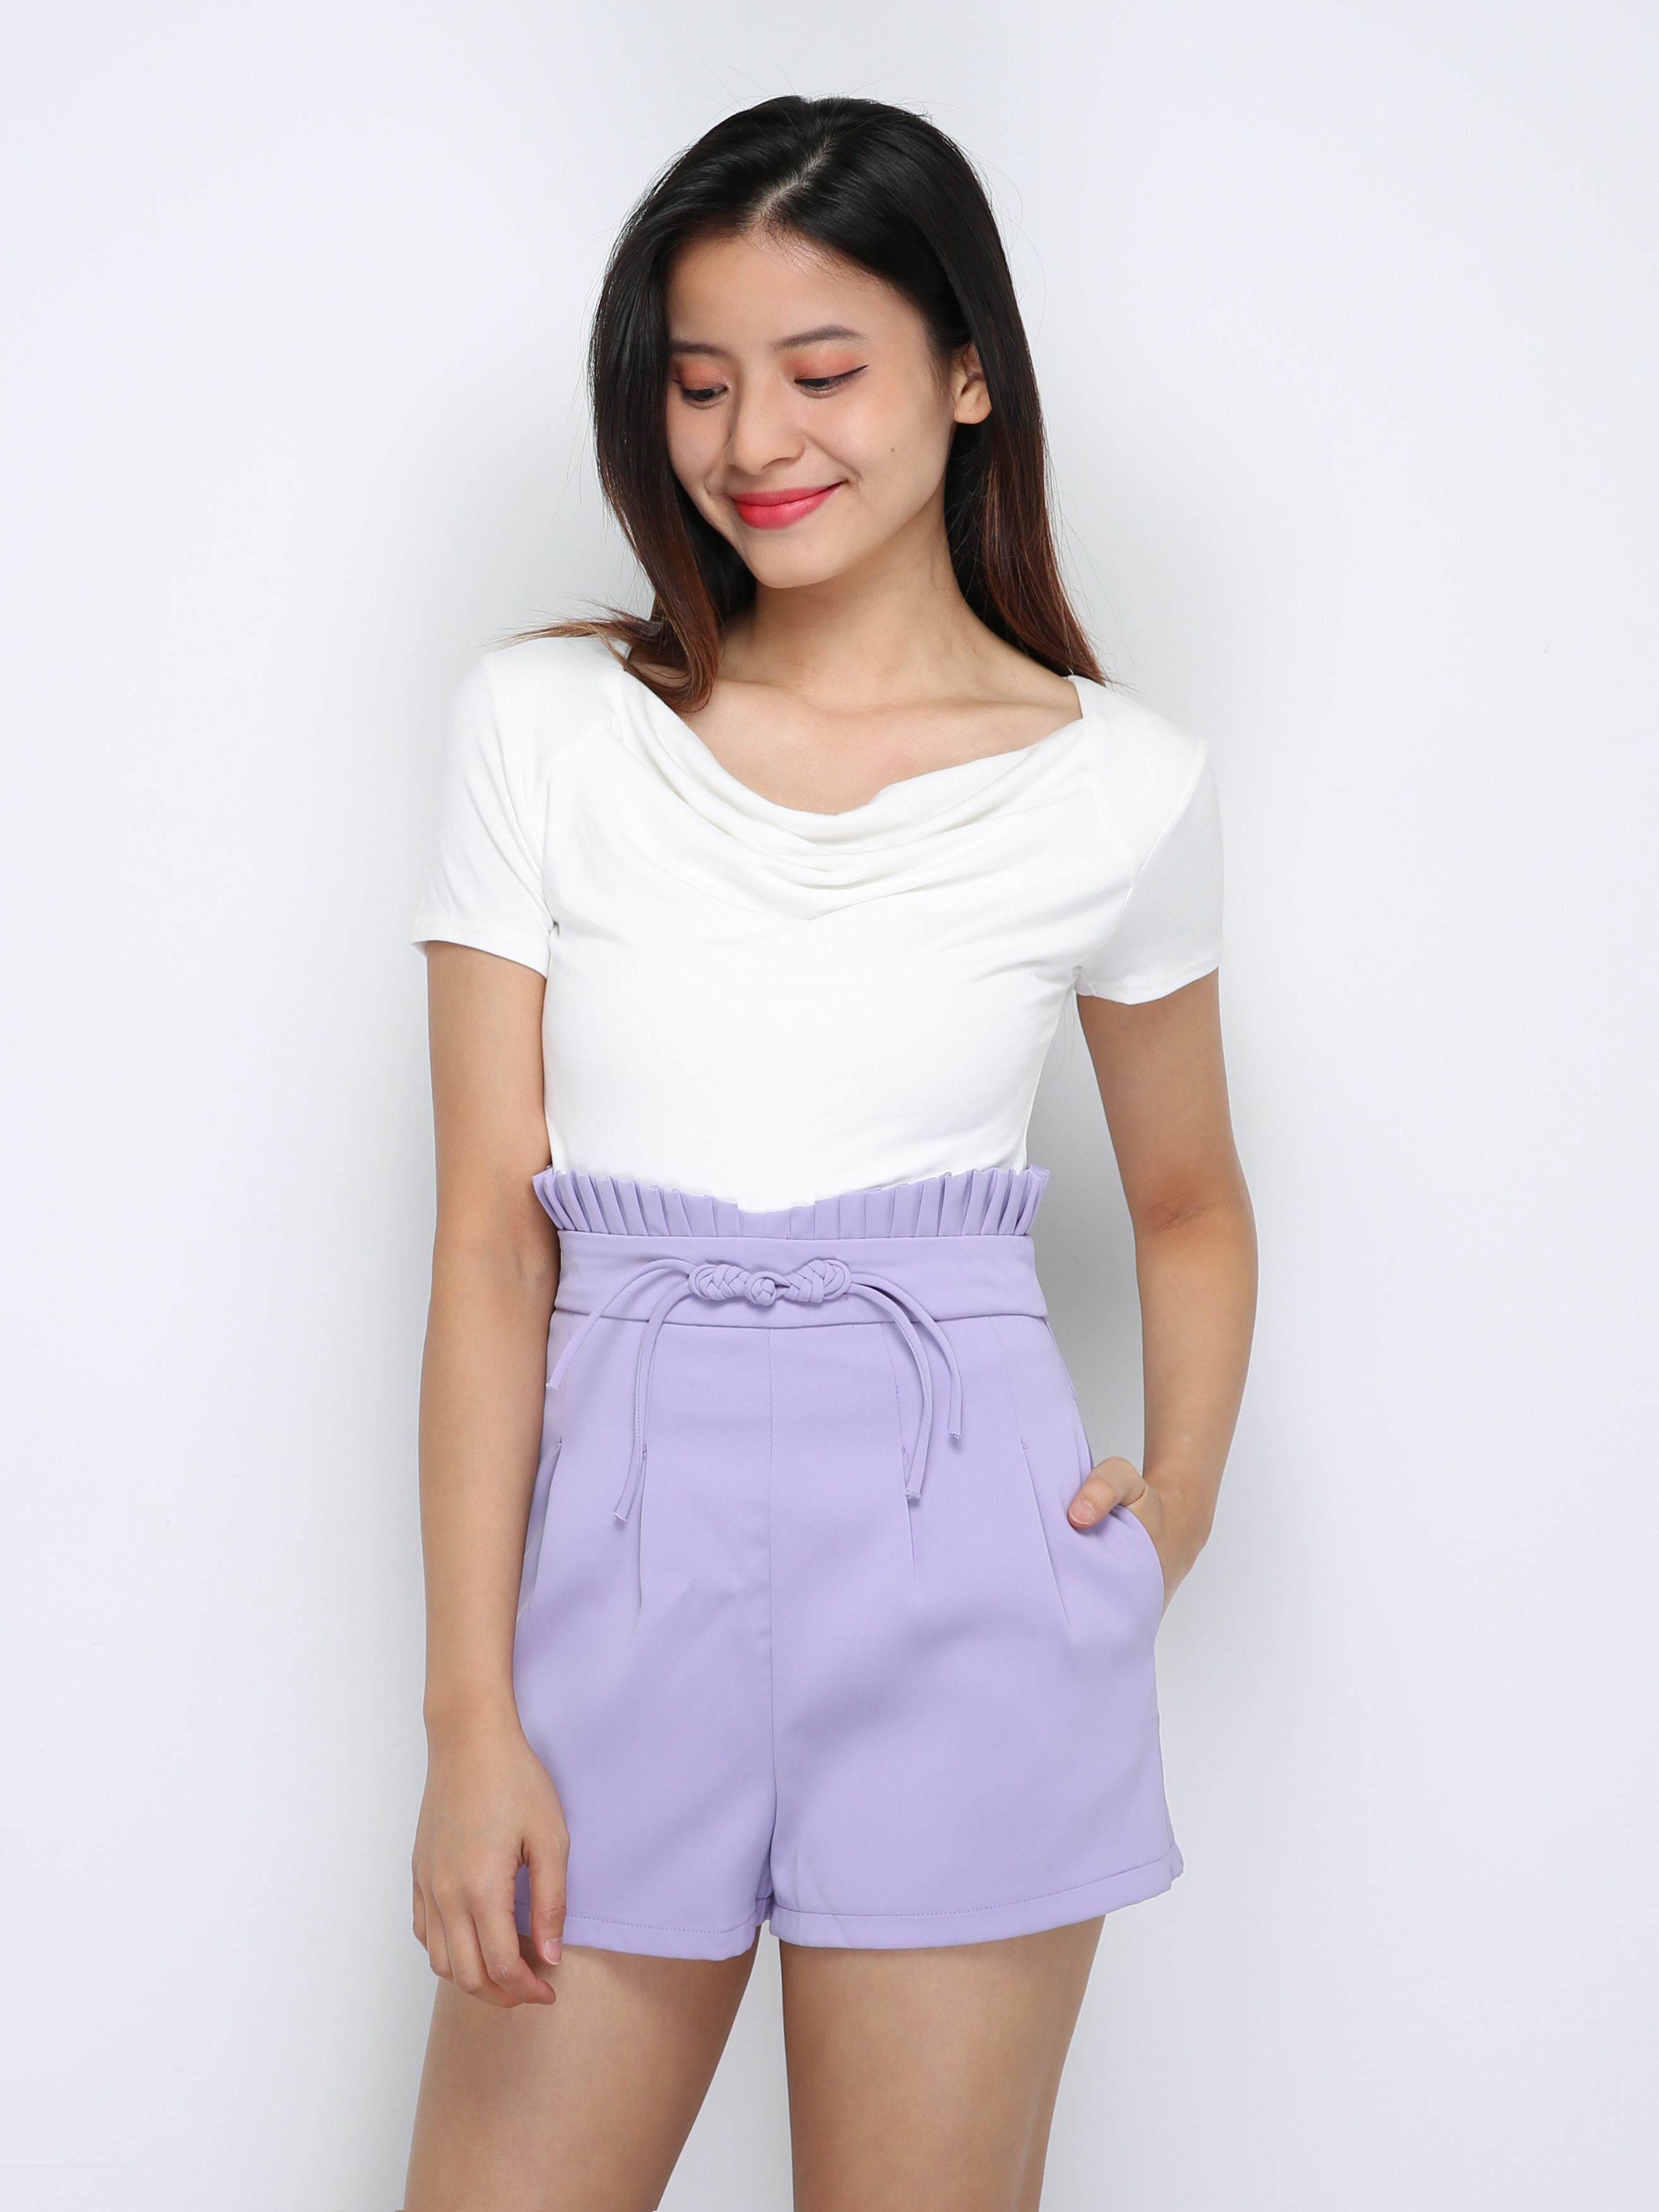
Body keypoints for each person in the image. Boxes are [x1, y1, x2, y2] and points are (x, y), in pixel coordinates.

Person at [402, 93, 1256, 2212]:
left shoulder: (1121, 784)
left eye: (819, 370)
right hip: (612, 1598)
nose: (752, 438)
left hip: (972, 1588)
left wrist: (1167, 1516)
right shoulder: (546, 727)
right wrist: (468, 1720)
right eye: (699, 383)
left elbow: (1188, 1202)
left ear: (967, 373)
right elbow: (493, 1242)